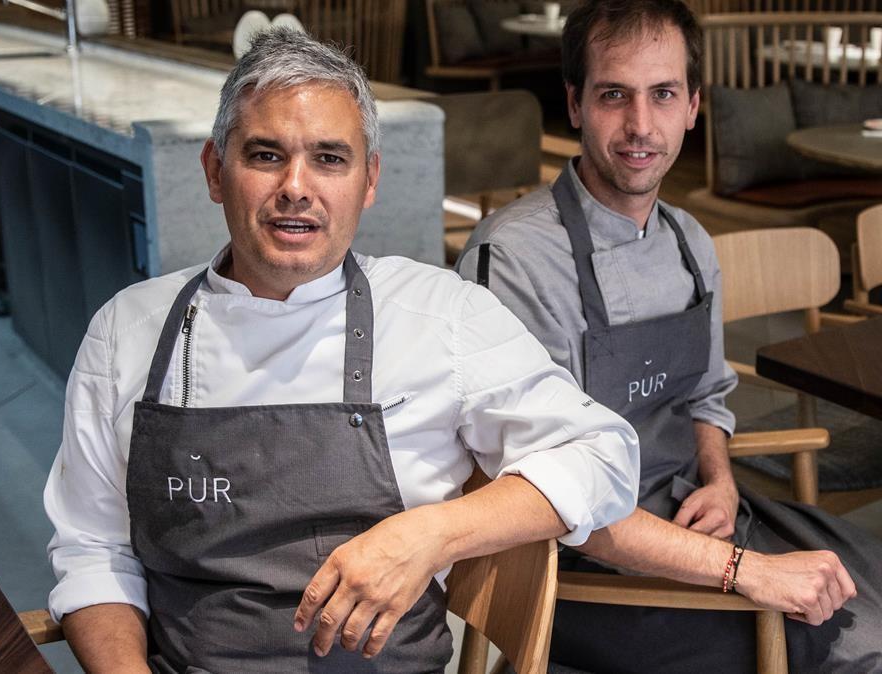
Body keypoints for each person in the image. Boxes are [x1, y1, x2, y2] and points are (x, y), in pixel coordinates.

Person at [44, 28, 641, 673]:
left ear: (370, 180)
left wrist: (431, 534)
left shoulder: (441, 315)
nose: (296, 187)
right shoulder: (126, 331)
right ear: (215, 172)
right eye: (266, 155)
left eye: (330, 159)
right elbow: (93, 550)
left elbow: (603, 456)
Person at [457, 0, 882, 671]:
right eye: (613, 96)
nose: (640, 126)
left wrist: (721, 482)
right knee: (850, 651)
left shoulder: (689, 242)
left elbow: (706, 396)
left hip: (696, 524)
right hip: (576, 574)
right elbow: (550, 498)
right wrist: (741, 569)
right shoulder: (513, 260)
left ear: (693, 105)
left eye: (663, 95)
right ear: (573, 103)